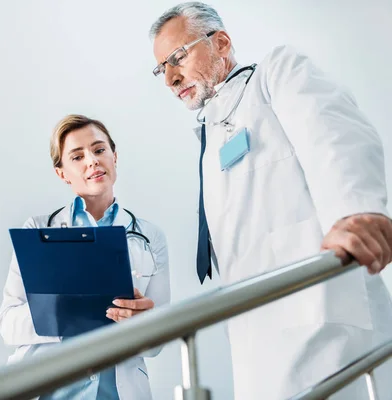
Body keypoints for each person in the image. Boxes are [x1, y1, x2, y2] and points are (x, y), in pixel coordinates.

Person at [149, 3, 392, 399]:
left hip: (325, 311)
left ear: (221, 42)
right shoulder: (210, 137)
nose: (171, 79)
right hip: (255, 334)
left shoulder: (275, 75)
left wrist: (357, 212)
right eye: (162, 70)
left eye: (178, 58)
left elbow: (332, 134)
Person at [0, 114, 171, 400]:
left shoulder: (150, 236)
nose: (92, 161)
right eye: (77, 157)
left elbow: (156, 343)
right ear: (62, 173)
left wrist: (141, 322)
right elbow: (8, 325)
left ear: (114, 157)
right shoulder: (38, 230)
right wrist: (66, 312)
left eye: (99, 150)